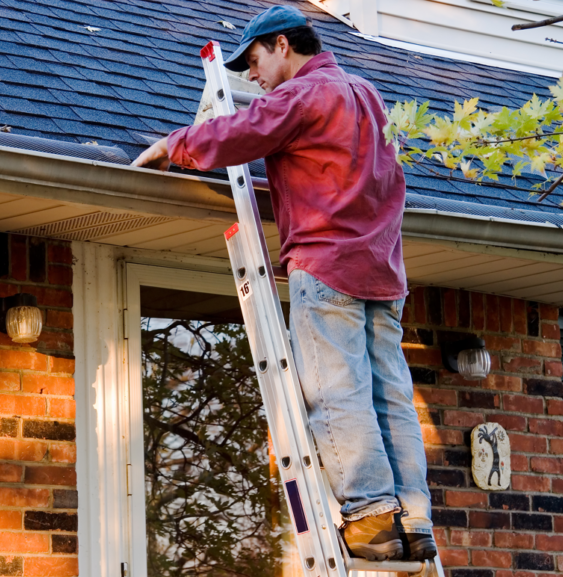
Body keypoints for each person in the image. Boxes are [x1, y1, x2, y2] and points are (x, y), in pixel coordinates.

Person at [132, 4, 436, 563]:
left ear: (281, 45)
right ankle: (412, 519)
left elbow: (247, 130)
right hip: (383, 271)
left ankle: (370, 517)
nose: (250, 77)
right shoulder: (367, 94)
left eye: (253, 60)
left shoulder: (305, 94)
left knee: (337, 392)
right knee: (389, 395)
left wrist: (175, 144)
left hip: (328, 267)